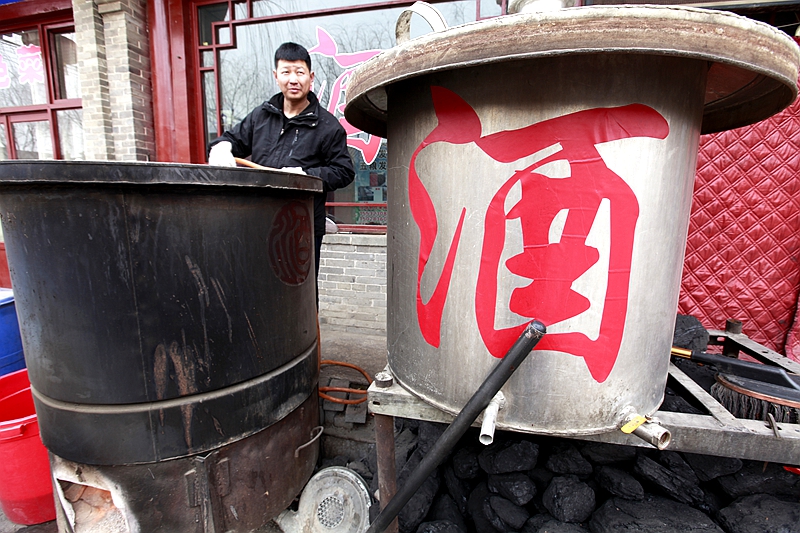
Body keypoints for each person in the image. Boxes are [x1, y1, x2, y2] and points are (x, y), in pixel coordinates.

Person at [207, 41, 355, 298]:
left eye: (299, 72)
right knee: (259, 286)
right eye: (286, 72)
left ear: (311, 77)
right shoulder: (261, 116)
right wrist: (221, 147)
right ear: (276, 76)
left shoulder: (327, 126)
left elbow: (344, 171)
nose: (293, 79)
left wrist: (306, 176)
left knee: (299, 291)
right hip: (257, 218)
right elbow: (232, 139)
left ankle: (304, 338)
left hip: (301, 225)